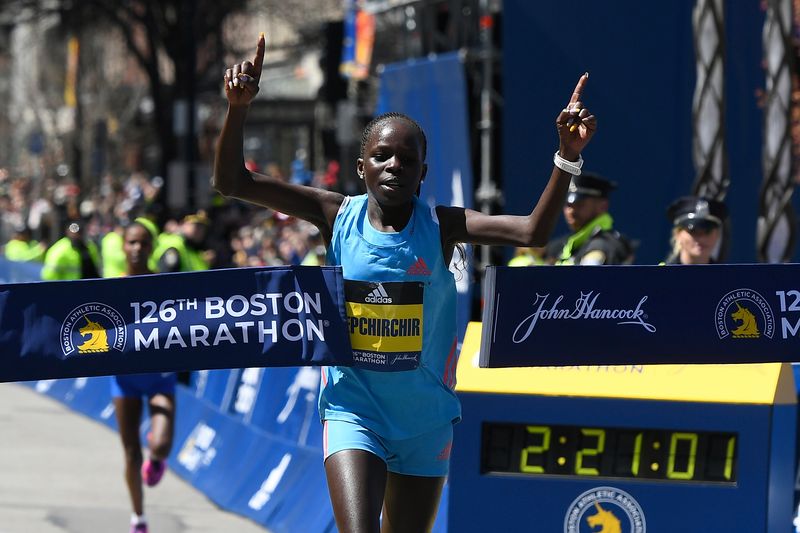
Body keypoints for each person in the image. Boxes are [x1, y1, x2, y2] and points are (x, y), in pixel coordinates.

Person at [213, 33, 596, 533]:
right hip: (355, 412)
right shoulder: (336, 215)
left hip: (425, 421)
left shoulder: (442, 226)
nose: (393, 165)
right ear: (361, 166)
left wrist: (566, 156)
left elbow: (532, 232)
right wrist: (238, 109)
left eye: (407, 160)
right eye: (381, 156)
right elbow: (233, 183)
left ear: (423, 174)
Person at [110, 220, 177, 533]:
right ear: (124, 246)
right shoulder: (113, 287)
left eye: (143, 243)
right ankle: (138, 518)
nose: (137, 249)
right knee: (131, 452)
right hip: (125, 379)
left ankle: (158, 457)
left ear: (151, 248)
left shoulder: (163, 285)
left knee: (161, 445)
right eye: (131, 242)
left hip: (160, 377)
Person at [547, 172, 635, 265]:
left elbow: (586, 278)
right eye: (568, 205)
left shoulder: (602, 245)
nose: (571, 211)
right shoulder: (560, 246)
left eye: (579, 204)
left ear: (602, 206)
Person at [662, 195, 728, 264]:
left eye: (707, 231)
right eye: (693, 231)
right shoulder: (660, 274)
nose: (701, 238)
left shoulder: (727, 274)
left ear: (717, 235)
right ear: (677, 234)